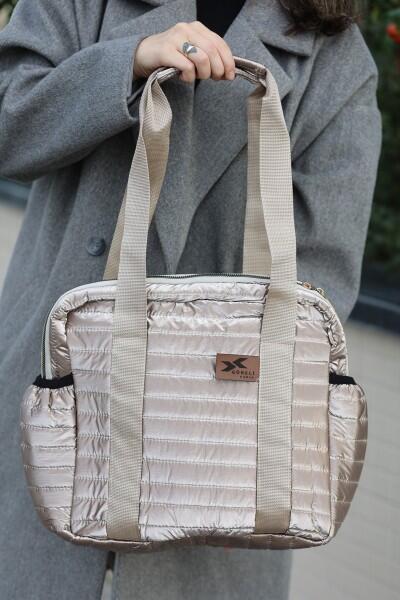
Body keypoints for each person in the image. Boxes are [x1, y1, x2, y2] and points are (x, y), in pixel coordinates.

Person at [0, 1, 381, 599]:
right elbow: (8, 126)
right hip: (59, 402)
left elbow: (318, 284)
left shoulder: (336, 60)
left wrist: (248, 455)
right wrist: (126, 63)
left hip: (226, 447)